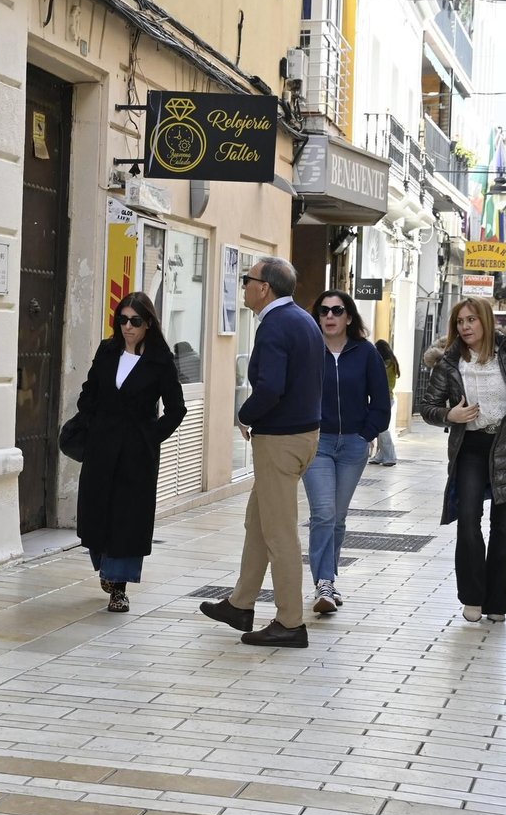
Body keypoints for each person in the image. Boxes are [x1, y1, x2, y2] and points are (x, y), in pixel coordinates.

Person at [200, 257, 323, 648]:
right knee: (258, 522)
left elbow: (270, 388)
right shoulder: (303, 320)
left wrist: (245, 414)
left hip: (280, 441)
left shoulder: (274, 325)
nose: (244, 285)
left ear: (265, 288)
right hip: (303, 437)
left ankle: (290, 622)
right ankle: (240, 604)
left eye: (247, 279)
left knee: (279, 532)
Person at [418, 297, 506, 623]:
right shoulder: (450, 362)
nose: (465, 327)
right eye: (460, 322)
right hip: (471, 447)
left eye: (471, 320)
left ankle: (497, 602)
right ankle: (472, 597)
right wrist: (451, 413)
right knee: (469, 521)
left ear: (486, 321)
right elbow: (428, 407)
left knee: (502, 527)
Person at [72, 293, 187, 612]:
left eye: (135, 321)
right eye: (122, 319)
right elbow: (89, 390)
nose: (127, 326)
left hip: (137, 451)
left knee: (128, 517)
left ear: (148, 323)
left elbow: (177, 409)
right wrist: (90, 420)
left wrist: (150, 437)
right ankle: (106, 566)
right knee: (97, 511)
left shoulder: (160, 359)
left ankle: (118, 588)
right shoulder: (108, 351)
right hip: (102, 445)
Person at [303, 290, 391, 614]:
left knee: (338, 518)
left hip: (353, 444)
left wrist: (366, 433)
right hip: (318, 443)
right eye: (324, 310)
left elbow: (381, 400)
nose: (329, 316)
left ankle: (329, 580)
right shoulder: (309, 351)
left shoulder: (366, 353)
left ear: (348, 317)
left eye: (337, 310)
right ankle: (323, 583)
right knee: (323, 514)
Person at [371, 339, 400, 466]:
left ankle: (390, 456)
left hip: (385, 398)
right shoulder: (391, 363)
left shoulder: (386, 365)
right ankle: (381, 455)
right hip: (386, 398)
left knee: (383, 429)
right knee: (380, 428)